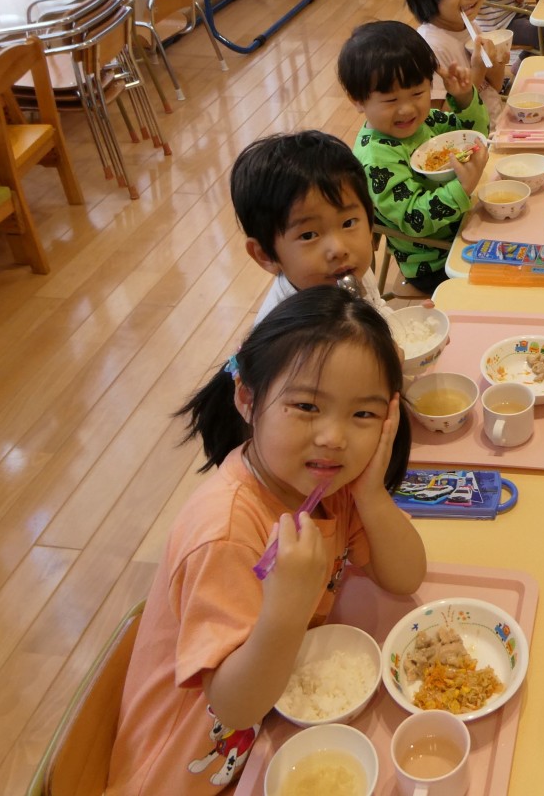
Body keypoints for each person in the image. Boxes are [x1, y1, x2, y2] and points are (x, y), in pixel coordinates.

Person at [107, 287, 427, 795]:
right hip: (186, 771)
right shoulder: (226, 532)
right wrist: (286, 608)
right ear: (247, 398)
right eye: (306, 405)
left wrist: (371, 496)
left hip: (272, 737)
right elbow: (232, 706)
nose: (334, 437)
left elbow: (406, 575)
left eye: (362, 415)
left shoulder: (331, 486)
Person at [337, 19, 489, 296]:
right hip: (435, 259)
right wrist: (462, 187)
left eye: (418, 93)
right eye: (390, 100)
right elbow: (414, 220)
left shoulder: (424, 120)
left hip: (466, 224)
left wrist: (465, 99)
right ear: (358, 100)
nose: (407, 109)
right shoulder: (376, 159)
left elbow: (475, 136)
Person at [230, 130, 391, 325]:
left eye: (348, 223)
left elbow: (376, 308)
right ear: (265, 255)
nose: (339, 249)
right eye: (308, 235)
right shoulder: (288, 336)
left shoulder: (348, 271)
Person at [402, 0, 507, 120]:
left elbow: (495, 87)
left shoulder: (470, 27)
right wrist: (477, 71)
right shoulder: (430, 47)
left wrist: (497, 64)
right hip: (466, 142)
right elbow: (439, 120)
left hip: (495, 125)